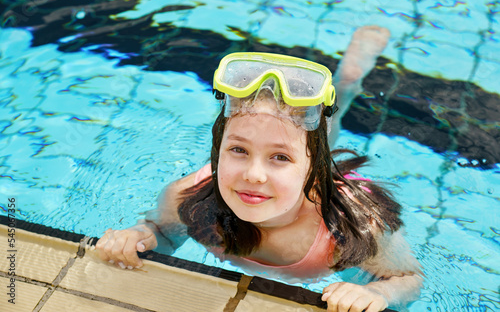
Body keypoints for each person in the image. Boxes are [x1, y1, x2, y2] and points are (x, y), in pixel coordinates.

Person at [96, 26, 423, 312]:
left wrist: (376, 291)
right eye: (238, 150)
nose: (253, 174)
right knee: (304, 138)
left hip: (327, 191)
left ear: (314, 167)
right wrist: (139, 237)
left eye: (279, 158)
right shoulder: (189, 197)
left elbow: (408, 279)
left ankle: (348, 79)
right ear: (218, 150)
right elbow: (163, 233)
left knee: (325, 130)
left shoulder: (353, 222)